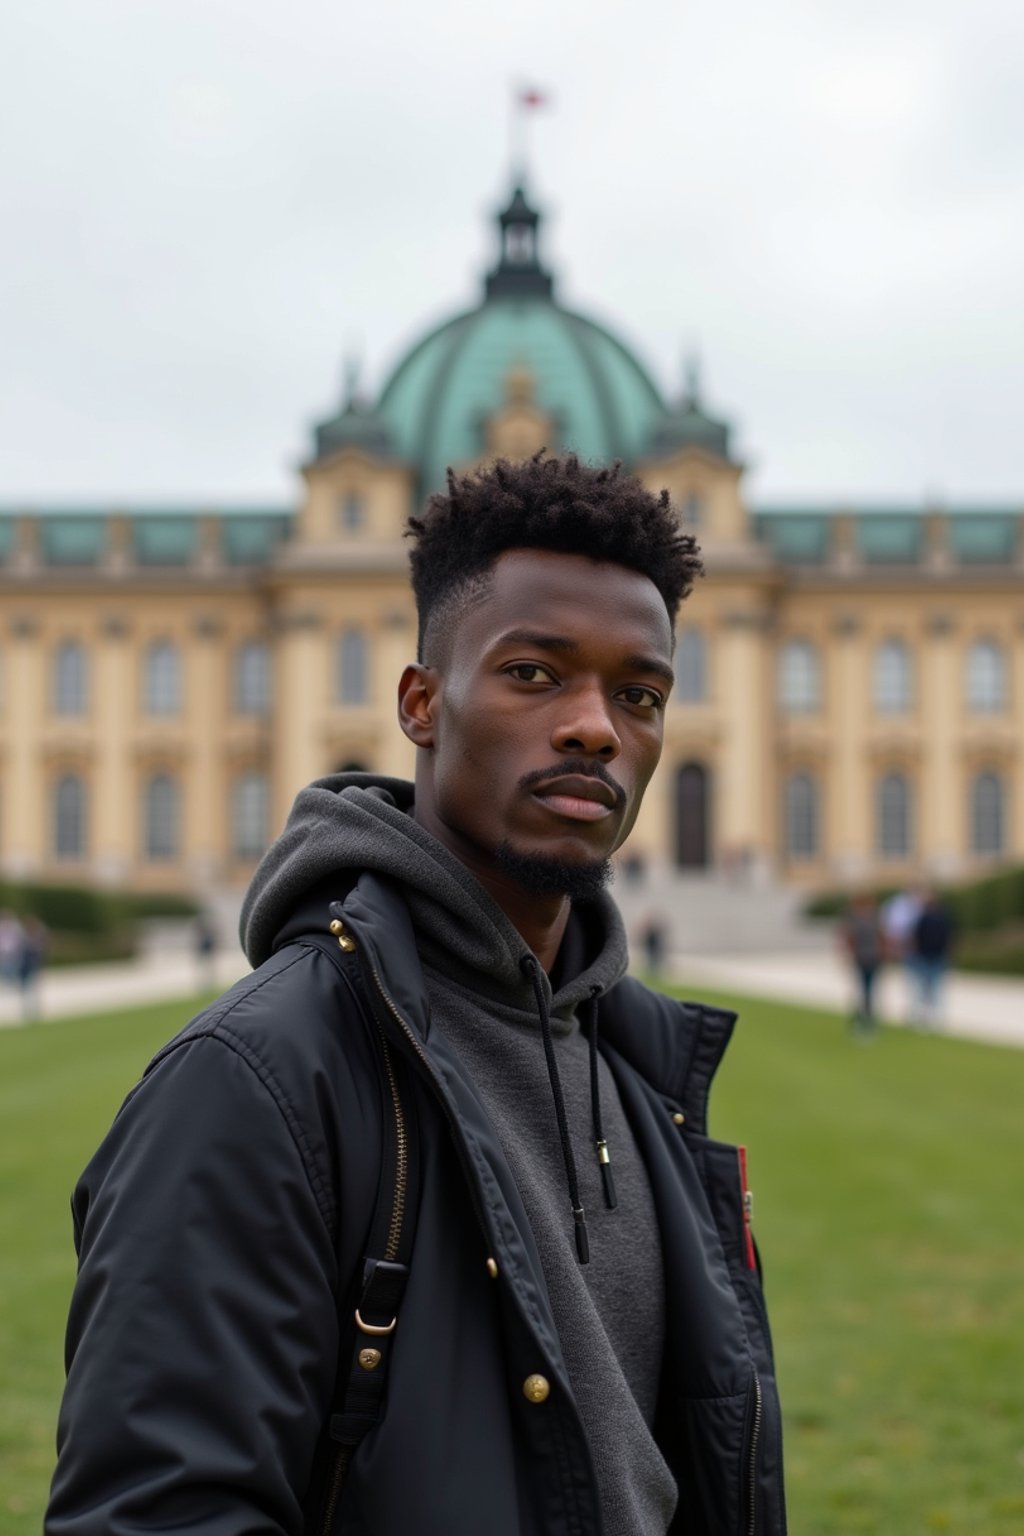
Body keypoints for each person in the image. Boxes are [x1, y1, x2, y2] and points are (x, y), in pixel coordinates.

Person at [47, 454, 786, 1536]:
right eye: (535, 672)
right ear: (420, 701)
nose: (595, 727)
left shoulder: (638, 1069)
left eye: (639, 693)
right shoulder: (253, 1082)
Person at [910, 887, 955, 1029]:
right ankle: (933, 1015)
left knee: (927, 986)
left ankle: (928, 1014)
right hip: (934, 955)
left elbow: (916, 938)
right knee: (934, 986)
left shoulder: (925, 918)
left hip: (928, 956)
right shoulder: (942, 917)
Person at [841, 890, 885, 1032]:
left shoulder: (873, 919)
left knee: (868, 990)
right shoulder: (857, 919)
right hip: (862, 958)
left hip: (872, 958)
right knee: (864, 990)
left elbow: (881, 938)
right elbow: (849, 939)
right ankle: (862, 1017)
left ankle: (866, 1017)